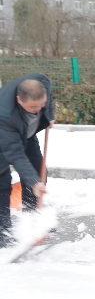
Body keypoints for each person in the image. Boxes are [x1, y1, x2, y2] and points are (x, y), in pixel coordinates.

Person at [0, 74, 55, 247]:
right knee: (2, 185)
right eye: (33, 107)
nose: (38, 110)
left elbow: (46, 83)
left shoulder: (41, 82)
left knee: (39, 172)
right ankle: (3, 232)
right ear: (19, 100)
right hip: (4, 141)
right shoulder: (5, 116)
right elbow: (16, 155)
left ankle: (32, 219)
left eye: (42, 105)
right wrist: (34, 182)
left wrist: (49, 113)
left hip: (26, 136)